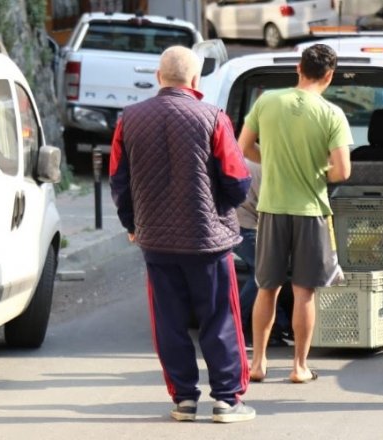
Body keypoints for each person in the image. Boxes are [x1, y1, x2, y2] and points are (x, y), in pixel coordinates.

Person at [109, 46, 255, 423]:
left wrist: (132, 224)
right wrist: (219, 206)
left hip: (156, 240)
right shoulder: (212, 117)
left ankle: (184, 399)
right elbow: (238, 180)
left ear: (159, 77)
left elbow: (118, 180)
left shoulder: (130, 119)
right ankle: (227, 399)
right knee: (220, 318)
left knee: (168, 322)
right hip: (208, 238)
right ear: (195, 80)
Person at [237, 43, 352, 384]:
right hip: (310, 212)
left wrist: (271, 163)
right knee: (304, 292)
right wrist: (318, 172)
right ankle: (299, 367)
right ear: (329, 76)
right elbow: (342, 171)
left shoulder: (268, 101)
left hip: (270, 209)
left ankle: (257, 363)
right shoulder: (332, 114)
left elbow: (243, 146)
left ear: (298, 68)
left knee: (266, 288)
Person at [233, 160, 291, 347]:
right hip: (247, 226)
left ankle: (278, 326)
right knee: (263, 274)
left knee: (268, 276)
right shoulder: (267, 164)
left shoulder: (241, 157)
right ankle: (235, 323)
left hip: (231, 223)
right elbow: (273, 205)